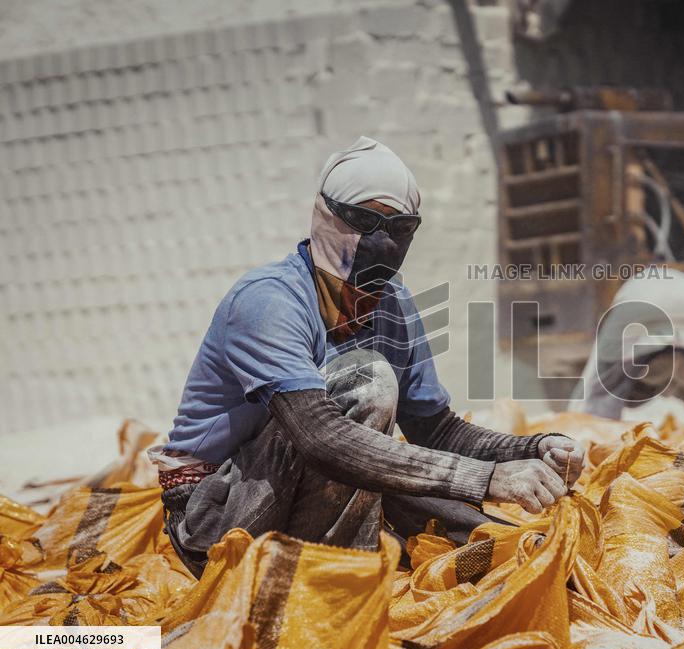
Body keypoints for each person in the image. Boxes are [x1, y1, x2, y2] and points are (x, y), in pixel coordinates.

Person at [151, 137, 585, 577]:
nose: (379, 240)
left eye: (399, 228)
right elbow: (320, 437)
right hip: (215, 517)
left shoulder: (393, 303)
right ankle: (337, 581)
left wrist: (529, 450)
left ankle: (353, 562)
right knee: (368, 382)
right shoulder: (268, 301)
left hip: (310, 488)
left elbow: (436, 430)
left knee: (487, 541)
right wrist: (485, 479)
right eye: (362, 219)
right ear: (326, 214)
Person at [569, 268, 684, 431]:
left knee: (603, 400)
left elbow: (589, 390)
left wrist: (574, 423)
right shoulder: (683, 363)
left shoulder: (613, 319)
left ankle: (592, 453)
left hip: (641, 307)